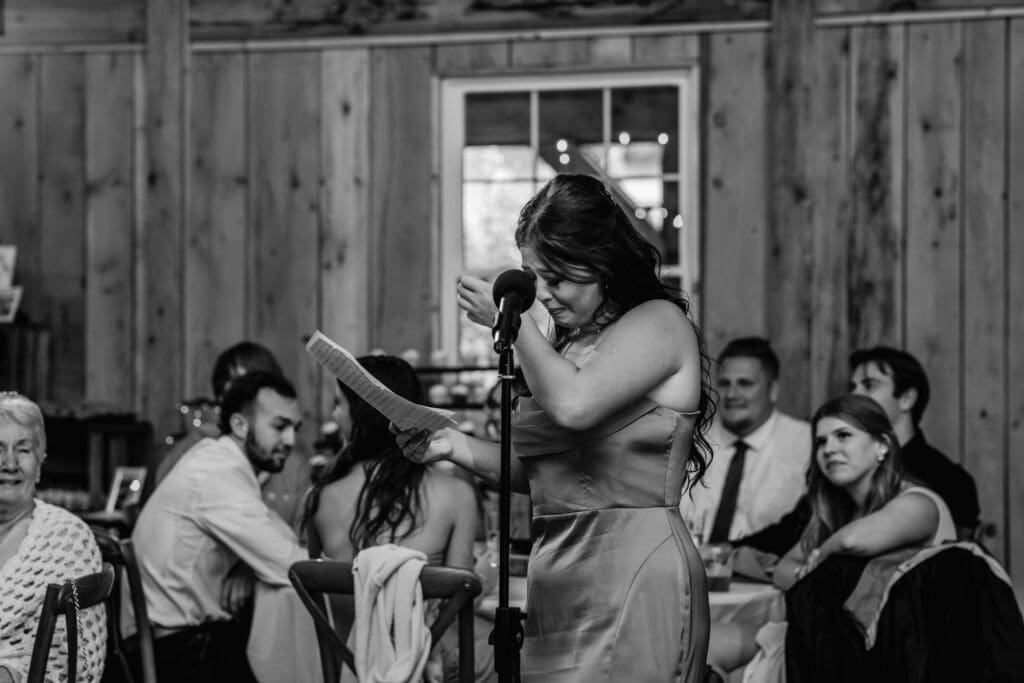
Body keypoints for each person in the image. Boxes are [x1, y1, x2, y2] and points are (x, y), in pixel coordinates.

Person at [395, 173, 716, 682]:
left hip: (635, 569)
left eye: (558, 279)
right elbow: (545, 475)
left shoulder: (659, 323)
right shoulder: (564, 348)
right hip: (558, 577)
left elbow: (575, 406)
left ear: (603, 265)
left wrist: (514, 327)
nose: (542, 295)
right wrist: (450, 444)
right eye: (531, 276)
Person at [711, 394, 957, 682]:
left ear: (882, 445)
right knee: (701, 642)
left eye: (843, 436)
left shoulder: (918, 503)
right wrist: (817, 569)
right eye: (821, 442)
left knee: (737, 672)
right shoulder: (837, 513)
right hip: (828, 639)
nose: (829, 449)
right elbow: (783, 569)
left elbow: (854, 541)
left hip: (891, 654)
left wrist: (819, 559)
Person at [132, 372, 307, 682]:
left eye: (295, 428)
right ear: (240, 425)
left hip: (170, 639)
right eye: (280, 427)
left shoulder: (218, 458)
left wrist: (248, 568)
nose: (291, 440)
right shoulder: (218, 475)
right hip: (178, 653)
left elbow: (276, 539)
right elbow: (291, 565)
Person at [735, 346, 980, 557]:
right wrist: (727, 549)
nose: (854, 394)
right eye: (852, 386)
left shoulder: (947, 479)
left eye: (869, 385)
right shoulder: (844, 472)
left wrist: (816, 560)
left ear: (906, 398)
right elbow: (791, 533)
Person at [0, 392, 106, 683]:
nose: (8, 463)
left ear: (40, 458)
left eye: (23, 449)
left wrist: (11, 674)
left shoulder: (67, 540)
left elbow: (79, 661)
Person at [153, 341, 311, 528]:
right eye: (231, 390)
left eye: (253, 387)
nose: (241, 396)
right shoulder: (197, 448)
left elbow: (300, 541)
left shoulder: (295, 463)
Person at [680, 337, 810, 543]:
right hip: (692, 567)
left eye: (745, 383)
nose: (731, 394)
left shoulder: (806, 445)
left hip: (763, 571)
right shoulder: (691, 443)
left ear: (773, 390)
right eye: (724, 383)